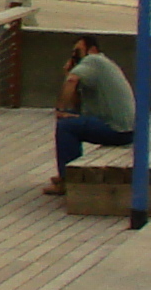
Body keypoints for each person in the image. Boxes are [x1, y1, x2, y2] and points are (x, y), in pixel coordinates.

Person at [52, 34, 136, 191]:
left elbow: (71, 82)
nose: (74, 56)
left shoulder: (93, 60)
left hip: (118, 129)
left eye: (77, 51)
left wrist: (60, 110)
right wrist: (69, 74)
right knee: (70, 122)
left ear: (92, 50)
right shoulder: (99, 66)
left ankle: (67, 181)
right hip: (126, 129)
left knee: (66, 127)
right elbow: (77, 106)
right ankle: (69, 174)